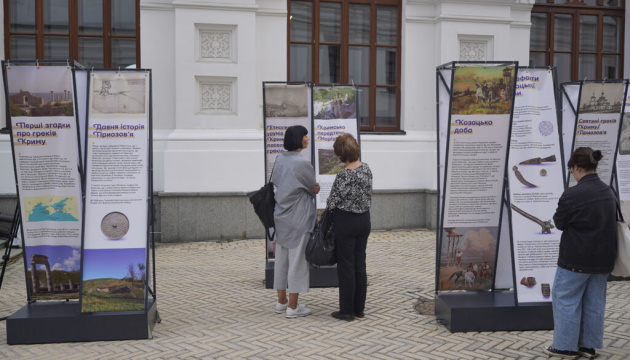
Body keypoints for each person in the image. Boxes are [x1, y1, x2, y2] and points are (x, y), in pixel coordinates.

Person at [543, 147, 617, 359]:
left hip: (576, 259)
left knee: (565, 299)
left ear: (576, 168)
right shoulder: (608, 191)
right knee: (594, 303)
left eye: (571, 170)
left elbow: (559, 222)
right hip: (603, 261)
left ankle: (565, 347)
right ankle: (587, 347)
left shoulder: (573, 194)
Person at [272, 125, 320, 319]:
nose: (307, 139)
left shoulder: (279, 159)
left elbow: (276, 182)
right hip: (299, 218)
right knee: (297, 262)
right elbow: (312, 187)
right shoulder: (302, 163)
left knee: (281, 260)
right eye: (305, 136)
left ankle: (281, 302)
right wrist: (314, 189)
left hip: (281, 215)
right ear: (299, 139)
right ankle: (293, 307)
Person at [327, 133, 373, 321]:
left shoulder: (343, 175)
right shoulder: (367, 169)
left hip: (346, 222)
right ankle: (359, 309)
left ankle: (346, 311)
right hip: (364, 220)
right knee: (359, 265)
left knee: (346, 266)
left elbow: (332, 202)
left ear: (341, 154)